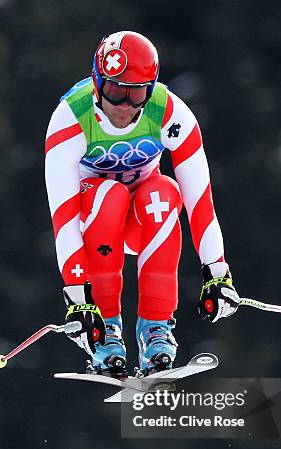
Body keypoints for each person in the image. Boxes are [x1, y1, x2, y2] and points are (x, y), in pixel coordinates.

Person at [45, 30, 240, 374]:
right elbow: (63, 218)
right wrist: (77, 296)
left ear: (149, 90)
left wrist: (217, 272)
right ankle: (104, 332)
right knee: (108, 194)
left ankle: (156, 330)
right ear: (96, 82)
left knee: (164, 192)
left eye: (135, 94)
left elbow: (200, 202)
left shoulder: (169, 112)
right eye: (114, 90)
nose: (123, 105)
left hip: (143, 223)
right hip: (94, 221)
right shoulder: (70, 118)